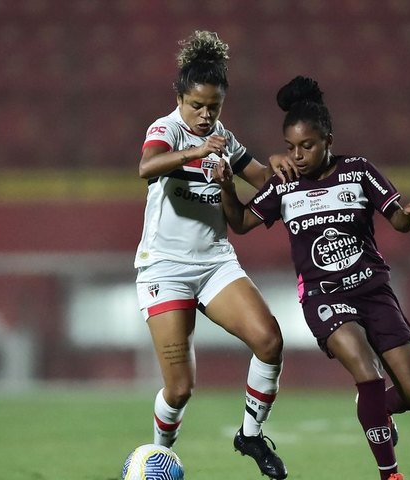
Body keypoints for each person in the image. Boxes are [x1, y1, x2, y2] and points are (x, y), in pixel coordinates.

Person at [212, 75, 410, 480]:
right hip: (325, 296)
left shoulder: (358, 171)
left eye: (307, 145)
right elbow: (241, 222)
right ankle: (390, 474)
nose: (297, 156)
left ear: (328, 140)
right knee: (367, 371)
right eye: (290, 147)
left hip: (373, 290)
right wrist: (228, 187)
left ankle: (375, 409)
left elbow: (398, 220)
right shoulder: (285, 186)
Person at [134, 30, 294, 479]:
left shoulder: (224, 137)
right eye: (196, 106)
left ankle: (251, 435)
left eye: (213, 107)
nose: (205, 116)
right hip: (165, 268)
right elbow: (147, 166)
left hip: (215, 263)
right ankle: (158, 459)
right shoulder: (166, 129)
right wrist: (197, 150)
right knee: (180, 390)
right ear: (179, 99)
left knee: (269, 340)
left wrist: (279, 168)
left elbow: (262, 179)